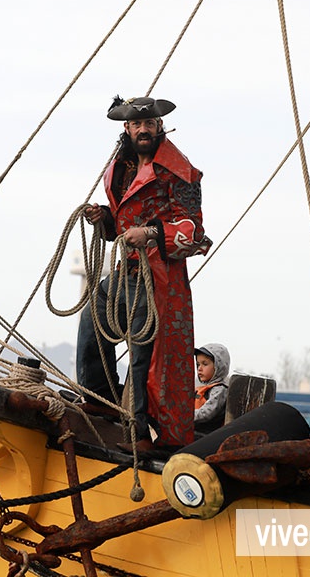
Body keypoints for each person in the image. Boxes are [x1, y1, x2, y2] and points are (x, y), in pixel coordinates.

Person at [77, 96, 212, 452]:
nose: (143, 130)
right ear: (127, 128)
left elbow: (194, 230)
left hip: (158, 278)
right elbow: (121, 220)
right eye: (136, 124)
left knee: (144, 355)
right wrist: (104, 217)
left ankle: (142, 434)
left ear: (159, 126)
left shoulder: (179, 171)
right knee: (93, 316)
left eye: (149, 124)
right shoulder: (121, 168)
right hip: (126, 269)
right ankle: (101, 397)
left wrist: (151, 233)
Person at [194, 343, 231, 433]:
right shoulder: (200, 389)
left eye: (205, 364)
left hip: (206, 435)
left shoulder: (219, 390)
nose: (199, 368)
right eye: (198, 364)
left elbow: (207, 413)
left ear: (218, 366)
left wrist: (184, 417)